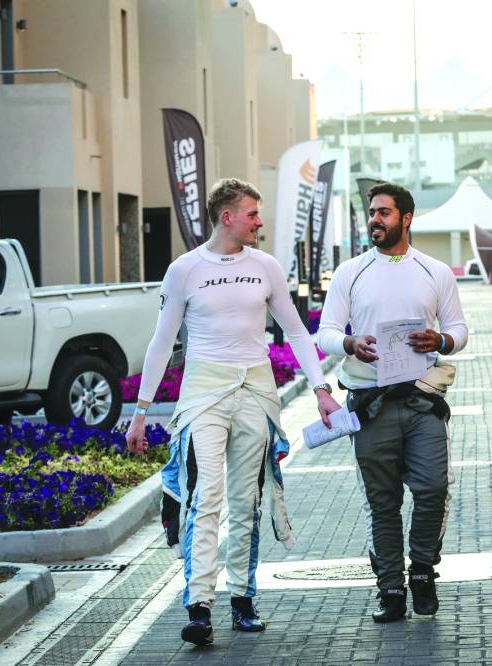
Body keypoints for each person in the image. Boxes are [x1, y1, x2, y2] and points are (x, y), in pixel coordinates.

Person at [126, 178, 341, 646]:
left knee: (247, 501)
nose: (259, 222)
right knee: (205, 498)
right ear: (227, 217)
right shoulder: (184, 269)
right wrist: (141, 411)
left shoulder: (266, 266)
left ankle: (242, 599)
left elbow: (297, 332)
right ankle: (198, 606)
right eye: (252, 214)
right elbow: (163, 340)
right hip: (204, 391)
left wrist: (322, 389)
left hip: (257, 392)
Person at [318, 182, 468, 623]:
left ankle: (422, 571)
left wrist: (439, 338)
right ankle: (390, 588)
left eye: (384, 212)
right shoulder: (351, 272)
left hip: (422, 401)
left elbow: (459, 329)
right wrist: (349, 342)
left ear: (406, 218)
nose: (374, 220)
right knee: (382, 503)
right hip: (369, 405)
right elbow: (325, 332)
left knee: (433, 489)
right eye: (372, 212)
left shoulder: (435, 271)